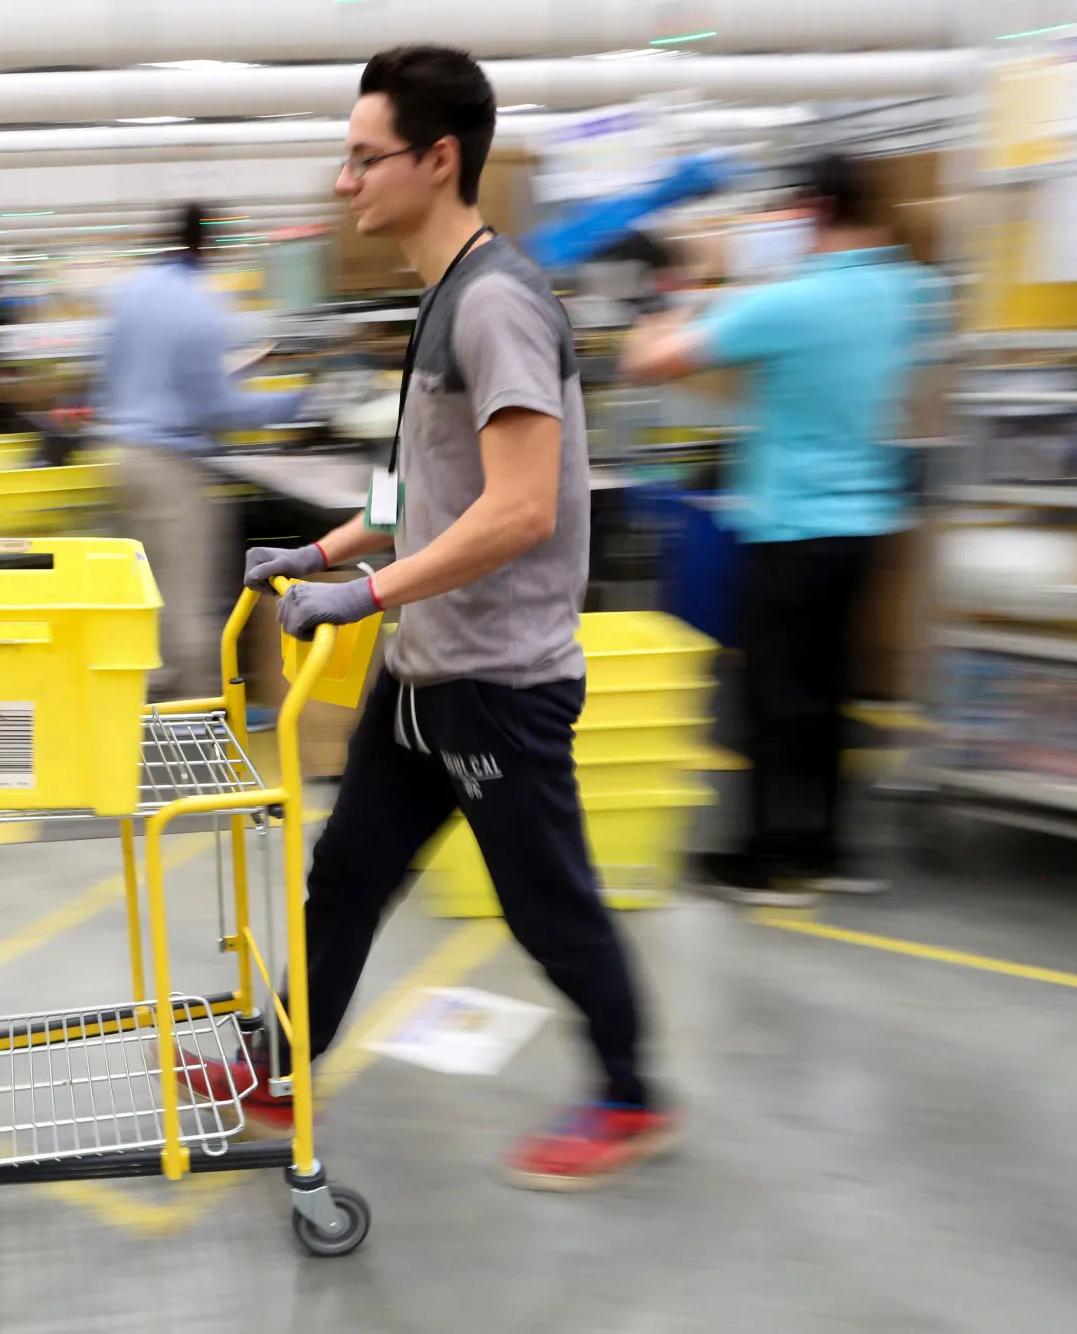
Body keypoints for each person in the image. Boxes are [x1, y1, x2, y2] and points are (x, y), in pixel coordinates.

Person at [180, 46, 674, 1191]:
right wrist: (332, 544)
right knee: (341, 876)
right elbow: (424, 485)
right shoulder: (444, 291)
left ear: (436, 159)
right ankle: (276, 1067)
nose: (344, 180)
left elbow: (515, 509)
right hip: (420, 674)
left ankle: (630, 1094)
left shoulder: (496, 303)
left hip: (495, 682)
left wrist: (360, 595)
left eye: (364, 157)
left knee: (548, 906)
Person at [620, 154, 941, 907]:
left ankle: (770, 859)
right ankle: (830, 849)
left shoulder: (795, 300)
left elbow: (650, 362)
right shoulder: (914, 289)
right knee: (830, 692)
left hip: (791, 525)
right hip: (868, 524)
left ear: (814, 208)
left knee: (773, 696)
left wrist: (675, 290)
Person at [92, 205, 305, 699]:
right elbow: (218, 409)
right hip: (170, 467)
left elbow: (106, 377)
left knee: (146, 594)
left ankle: (147, 709)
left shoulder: (131, 292)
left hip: (120, 457)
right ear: (209, 248)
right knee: (190, 599)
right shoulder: (201, 308)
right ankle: (202, 715)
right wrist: (297, 402)